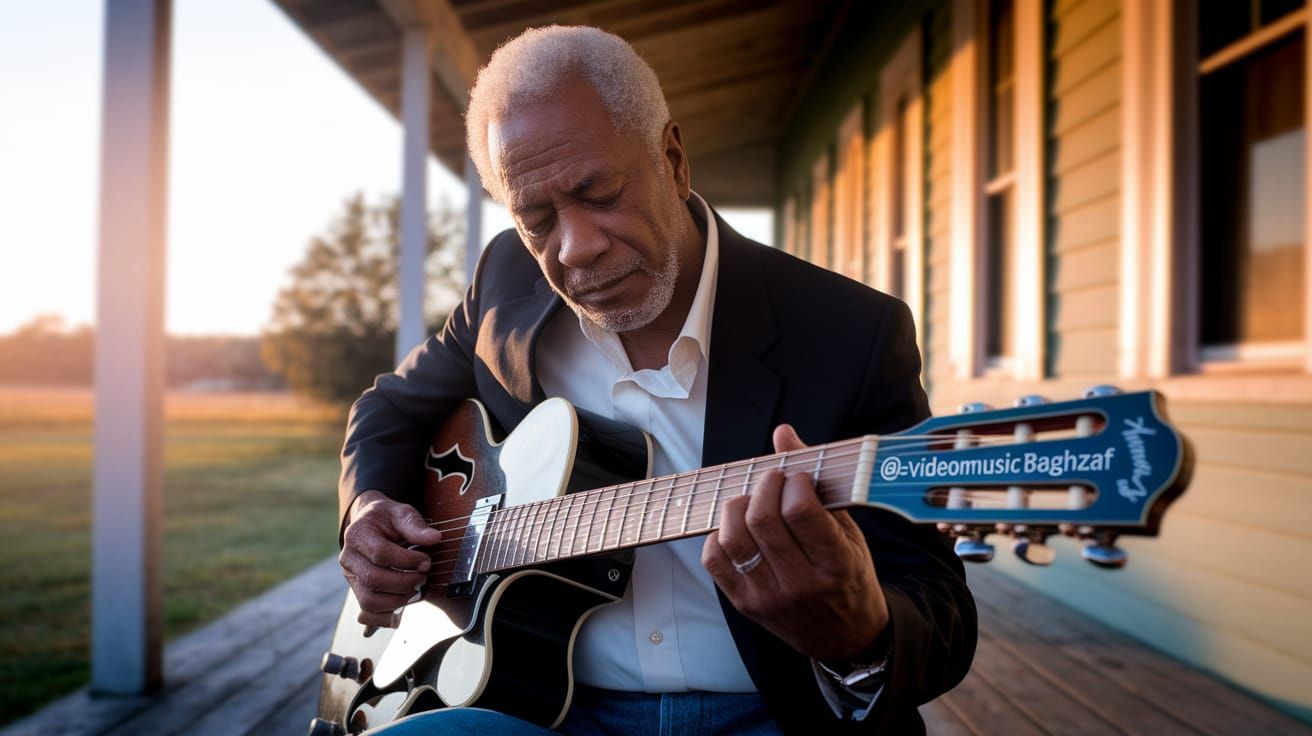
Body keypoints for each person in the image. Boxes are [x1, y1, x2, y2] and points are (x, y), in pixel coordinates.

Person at [336, 25, 975, 735]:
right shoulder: (506, 282)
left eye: (599, 192)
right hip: (539, 704)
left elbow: (939, 615)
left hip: (770, 713)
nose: (575, 246)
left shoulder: (850, 332)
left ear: (672, 157)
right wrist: (368, 508)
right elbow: (388, 408)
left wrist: (855, 632)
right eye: (536, 218)